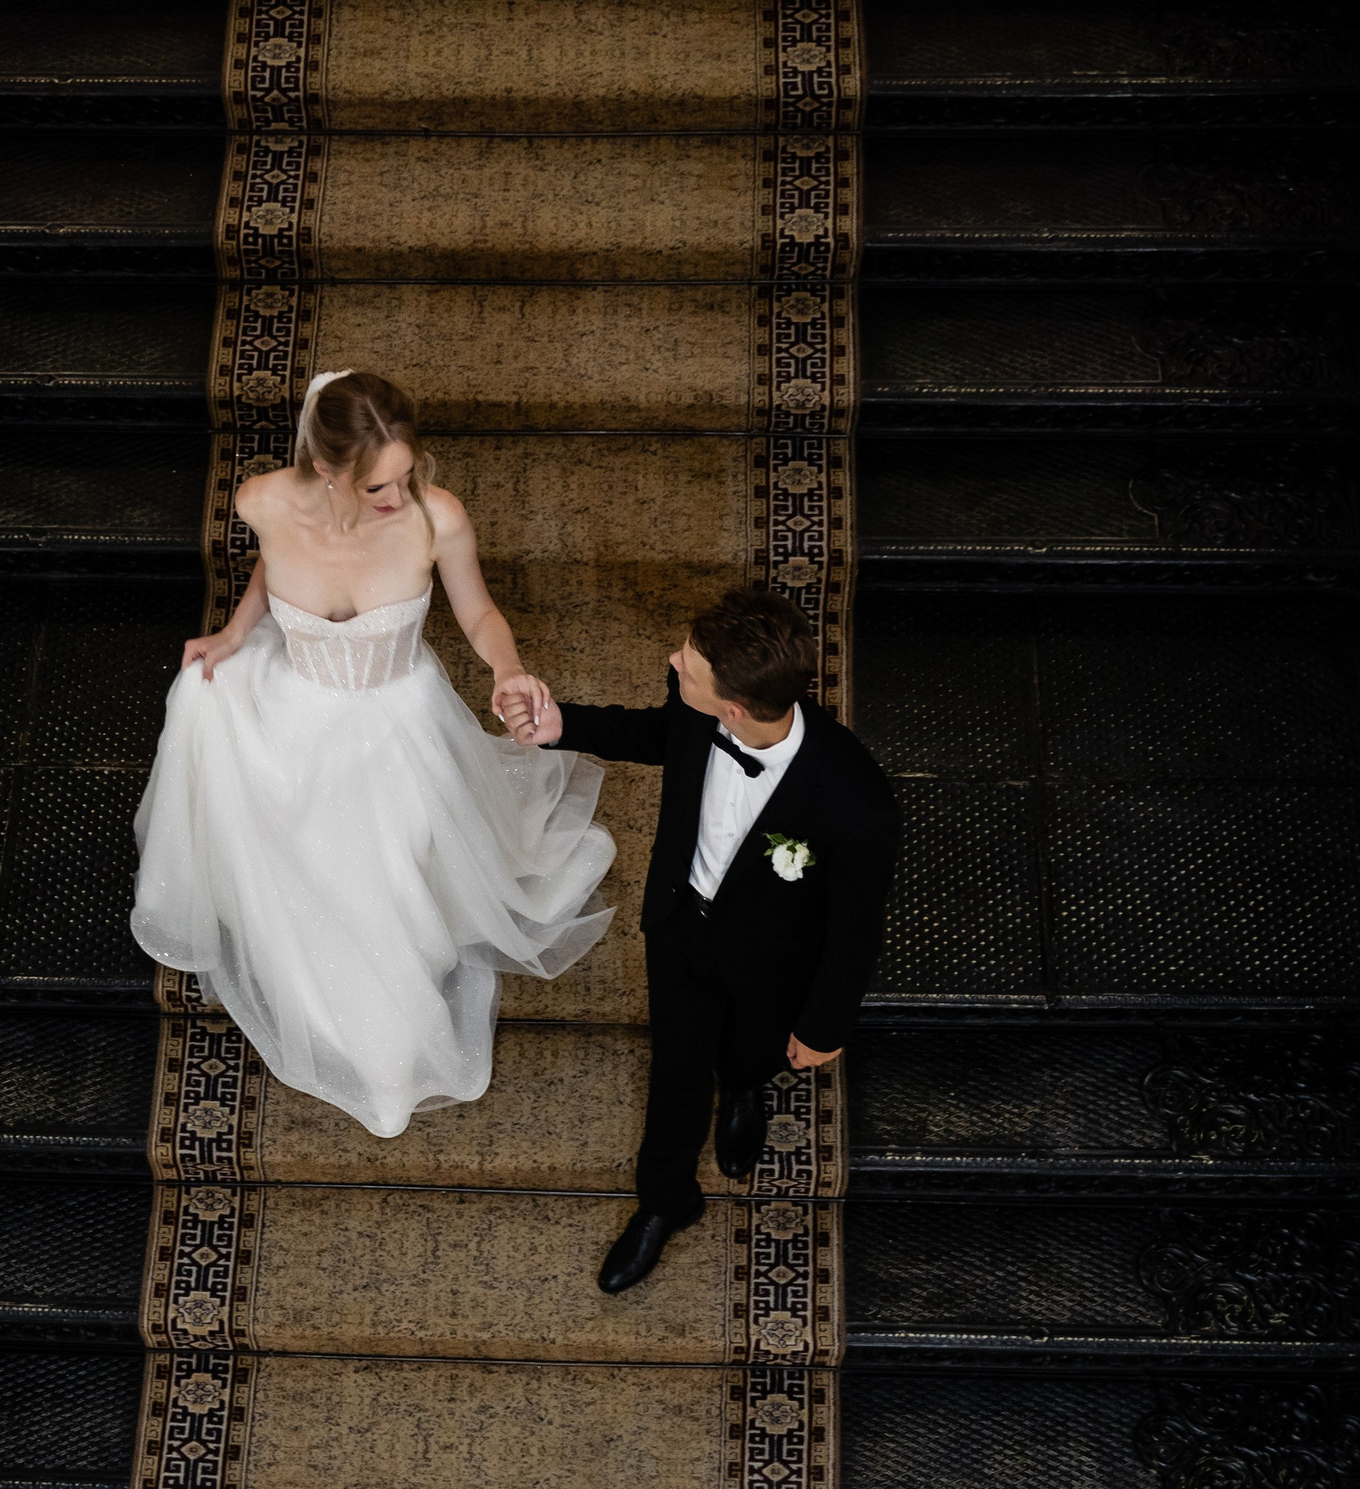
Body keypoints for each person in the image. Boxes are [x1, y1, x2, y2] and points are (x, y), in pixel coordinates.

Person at [130, 369, 614, 1137]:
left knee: (389, 864)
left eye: (405, 475)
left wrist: (507, 670)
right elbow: (272, 561)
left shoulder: (436, 518)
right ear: (326, 469)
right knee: (206, 706)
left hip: (398, 720)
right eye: (378, 486)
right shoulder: (262, 501)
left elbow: (480, 613)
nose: (397, 496)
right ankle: (324, 995)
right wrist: (233, 633)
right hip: (294, 712)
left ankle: (390, 1035)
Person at [503, 585, 898, 1291]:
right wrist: (565, 724)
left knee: (753, 1050)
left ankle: (743, 1089)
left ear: (735, 708)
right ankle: (666, 1201)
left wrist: (823, 1026)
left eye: (687, 662)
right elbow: (663, 737)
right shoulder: (695, 707)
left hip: (775, 962)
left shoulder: (857, 804)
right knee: (676, 1073)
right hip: (681, 927)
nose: (672, 660)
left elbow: (855, 931)